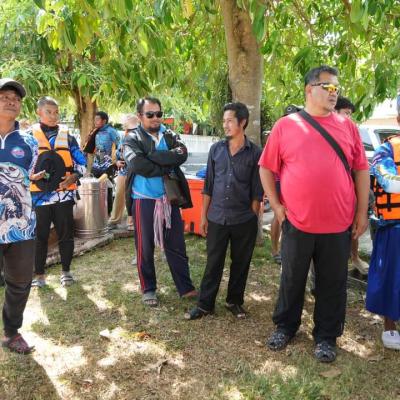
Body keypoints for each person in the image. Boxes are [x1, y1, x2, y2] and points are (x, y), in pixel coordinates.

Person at [259, 65, 370, 363]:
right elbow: (266, 168)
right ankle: (285, 326)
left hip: (338, 222)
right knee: (292, 278)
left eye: (336, 88)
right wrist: (277, 206)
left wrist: (361, 212)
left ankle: (326, 336)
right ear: (309, 90)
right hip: (297, 221)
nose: (334, 93)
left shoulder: (348, 127)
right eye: (327, 87)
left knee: (332, 283)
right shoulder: (286, 126)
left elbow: (361, 170)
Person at [185, 102, 263, 320]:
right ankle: (205, 305)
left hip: (243, 219)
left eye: (230, 121)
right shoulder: (216, 150)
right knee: (213, 262)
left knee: (241, 262)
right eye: (224, 121)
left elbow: (257, 191)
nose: (225, 125)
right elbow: (208, 185)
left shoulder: (255, 153)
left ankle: (234, 301)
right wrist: (203, 216)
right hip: (217, 216)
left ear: (242, 122)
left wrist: (252, 216)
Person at [123, 97, 197, 307]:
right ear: (140, 116)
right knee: (144, 247)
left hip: (169, 198)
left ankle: (185, 287)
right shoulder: (132, 138)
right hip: (143, 200)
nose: (156, 118)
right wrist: (166, 163)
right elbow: (138, 165)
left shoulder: (169, 134)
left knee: (176, 244)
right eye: (150, 114)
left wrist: (152, 155)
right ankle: (148, 288)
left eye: (159, 114)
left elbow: (182, 154)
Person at [30, 97, 86, 288]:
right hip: (39, 197)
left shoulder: (68, 137)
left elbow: (82, 165)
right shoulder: (28, 137)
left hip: (64, 195)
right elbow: (21, 168)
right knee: (40, 237)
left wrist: (73, 177)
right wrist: (31, 176)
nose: (53, 116)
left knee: (66, 235)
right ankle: (39, 275)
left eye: (56, 112)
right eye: (49, 112)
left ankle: (66, 272)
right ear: (39, 112)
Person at [0, 78, 38, 353]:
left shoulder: (29, 142)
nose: (11, 102)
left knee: (21, 281)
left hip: (21, 225)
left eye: (16, 99)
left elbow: (30, 176)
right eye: (4, 97)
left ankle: (11, 332)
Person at [366, 106, 400, 350]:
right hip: (394, 227)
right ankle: (390, 326)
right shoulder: (384, 150)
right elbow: (389, 182)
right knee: (391, 276)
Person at [335, 96, 369, 275]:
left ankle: (354, 257)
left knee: (353, 227)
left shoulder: (351, 132)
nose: (349, 118)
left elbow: (361, 167)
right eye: (346, 113)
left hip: (349, 193)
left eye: (350, 114)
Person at [83, 111, 120, 215]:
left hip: (108, 166)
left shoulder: (111, 131)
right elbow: (89, 147)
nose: (95, 121)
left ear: (104, 121)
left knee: (107, 189)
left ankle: (107, 213)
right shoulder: (95, 131)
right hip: (96, 165)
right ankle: (97, 212)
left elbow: (120, 145)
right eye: (94, 119)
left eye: (97, 119)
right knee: (95, 188)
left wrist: (117, 161)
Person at [108, 114, 139, 229]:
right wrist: (117, 162)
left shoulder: (138, 135)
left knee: (133, 196)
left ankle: (132, 222)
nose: (123, 124)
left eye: (125, 122)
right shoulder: (124, 135)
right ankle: (115, 220)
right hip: (123, 170)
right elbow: (118, 151)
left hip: (134, 171)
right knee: (119, 195)